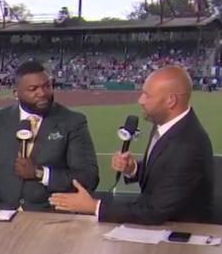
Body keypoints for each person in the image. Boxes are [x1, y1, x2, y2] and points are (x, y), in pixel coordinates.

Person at [49, 65, 213, 224]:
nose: (140, 100)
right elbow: (164, 177)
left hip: (179, 236)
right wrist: (133, 169)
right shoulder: (165, 124)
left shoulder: (189, 145)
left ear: (171, 100)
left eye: (147, 95)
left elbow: (154, 211)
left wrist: (94, 206)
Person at [0, 61, 99, 215]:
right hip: (0, 212)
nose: (42, 93)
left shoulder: (72, 122)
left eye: (47, 86)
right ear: (16, 92)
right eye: (33, 89)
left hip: (51, 215)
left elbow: (88, 177)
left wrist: (41, 173)